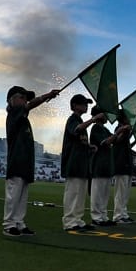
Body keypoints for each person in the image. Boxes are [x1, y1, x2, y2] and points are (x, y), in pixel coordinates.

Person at [2, 86, 60, 236]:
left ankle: (19, 223)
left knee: (22, 194)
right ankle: (9, 224)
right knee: (14, 193)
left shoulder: (23, 118)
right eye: (22, 97)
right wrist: (47, 95)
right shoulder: (14, 113)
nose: (25, 100)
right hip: (16, 160)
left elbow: (28, 106)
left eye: (25, 98)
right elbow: (30, 105)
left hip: (25, 161)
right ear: (11, 100)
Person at [61, 94, 102, 231]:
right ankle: (69, 221)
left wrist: (89, 147)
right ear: (74, 106)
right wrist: (93, 119)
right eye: (83, 103)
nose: (86, 106)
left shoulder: (80, 122)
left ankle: (77, 219)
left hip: (81, 163)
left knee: (80, 194)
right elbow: (75, 130)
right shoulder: (73, 119)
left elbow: (80, 140)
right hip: (73, 162)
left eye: (86, 103)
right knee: (73, 193)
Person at [89, 106, 130, 226]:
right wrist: (118, 132)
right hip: (99, 164)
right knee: (98, 192)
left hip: (106, 165)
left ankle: (103, 216)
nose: (107, 116)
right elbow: (106, 142)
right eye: (104, 114)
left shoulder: (104, 129)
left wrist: (123, 132)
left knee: (104, 193)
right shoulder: (96, 128)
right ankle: (96, 217)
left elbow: (115, 140)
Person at [112, 110, 135, 224]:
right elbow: (117, 140)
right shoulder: (119, 128)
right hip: (121, 163)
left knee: (125, 192)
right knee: (120, 192)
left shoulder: (125, 129)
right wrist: (125, 131)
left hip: (126, 162)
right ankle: (118, 215)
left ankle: (123, 213)